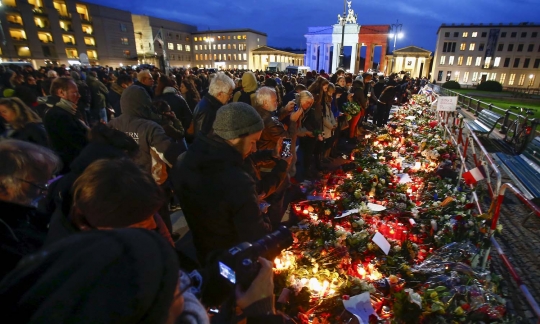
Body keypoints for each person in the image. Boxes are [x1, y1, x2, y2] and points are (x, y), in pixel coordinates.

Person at [171, 102, 270, 264]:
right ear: (235, 136)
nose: (254, 149)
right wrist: (262, 215)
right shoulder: (237, 180)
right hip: (235, 260)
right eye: (253, 142)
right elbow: (256, 235)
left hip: (203, 251)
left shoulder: (183, 160)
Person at [45, 158, 173, 246]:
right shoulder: (81, 266)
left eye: (153, 215)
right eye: (141, 223)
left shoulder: (135, 205)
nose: (152, 224)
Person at [108, 85, 183, 234]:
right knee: (160, 222)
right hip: (152, 183)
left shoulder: (112, 125)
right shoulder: (150, 127)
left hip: (123, 181)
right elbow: (170, 155)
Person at [0, 140, 60, 279]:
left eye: (47, 183)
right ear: (3, 185)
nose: (45, 191)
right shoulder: (6, 233)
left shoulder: (23, 213)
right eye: (38, 185)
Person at [43, 77, 89, 174]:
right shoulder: (58, 115)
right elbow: (78, 141)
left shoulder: (65, 110)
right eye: (75, 92)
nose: (79, 95)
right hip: (72, 167)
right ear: (61, 92)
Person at [191, 72, 235, 137]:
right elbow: (202, 138)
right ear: (220, 94)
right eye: (230, 94)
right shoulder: (209, 110)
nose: (231, 97)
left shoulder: (207, 103)